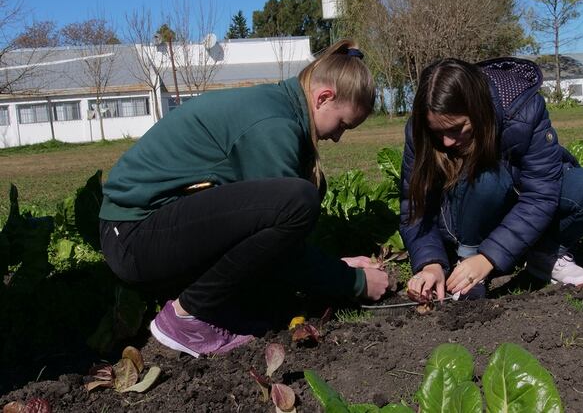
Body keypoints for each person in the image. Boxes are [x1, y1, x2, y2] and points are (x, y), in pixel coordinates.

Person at [99, 40, 389, 358]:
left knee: (297, 204)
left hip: (149, 232)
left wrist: (335, 266)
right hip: (134, 237)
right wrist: (353, 283)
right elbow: (285, 249)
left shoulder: (277, 106)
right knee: (298, 200)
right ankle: (185, 316)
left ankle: (206, 307)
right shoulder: (273, 126)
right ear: (323, 98)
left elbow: (263, 235)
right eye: (343, 124)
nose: (337, 137)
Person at [401, 57, 583, 301]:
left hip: (518, 198)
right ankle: (467, 258)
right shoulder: (420, 131)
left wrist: (490, 257)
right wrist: (430, 263)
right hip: (465, 213)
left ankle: (543, 254)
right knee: (487, 178)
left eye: (456, 128)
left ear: (479, 110)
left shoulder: (524, 109)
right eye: (437, 132)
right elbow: (414, 207)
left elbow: (541, 193)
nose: (447, 142)